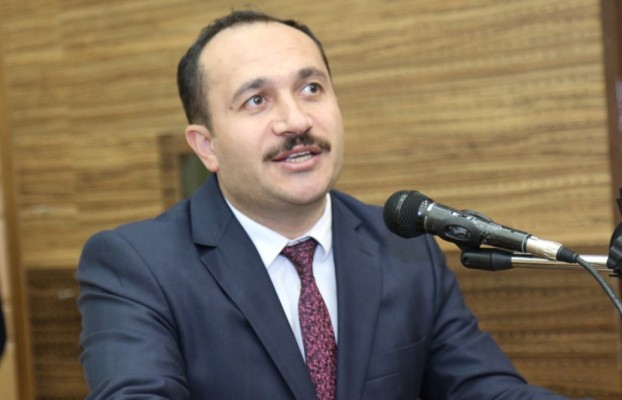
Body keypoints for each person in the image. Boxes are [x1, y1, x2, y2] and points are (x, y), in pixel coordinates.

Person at [77, 9, 575, 399]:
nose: (296, 121)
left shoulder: (403, 247)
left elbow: (483, 390)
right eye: (256, 100)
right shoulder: (138, 266)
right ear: (206, 146)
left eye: (310, 88)